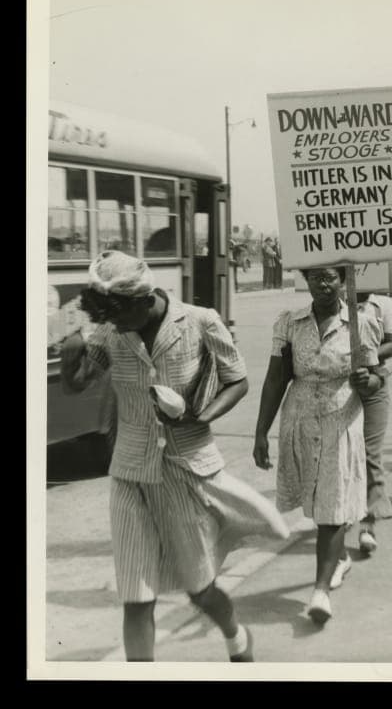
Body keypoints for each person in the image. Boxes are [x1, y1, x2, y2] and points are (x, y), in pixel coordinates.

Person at [60, 250, 281, 662]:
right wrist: (73, 343)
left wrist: (197, 416)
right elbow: (76, 383)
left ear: (145, 300)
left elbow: (238, 381)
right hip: (130, 476)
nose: (116, 327)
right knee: (137, 598)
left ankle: (236, 637)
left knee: (201, 591)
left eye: (121, 317)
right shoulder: (112, 332)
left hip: (185, 473)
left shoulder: (200, 321)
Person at [253, 265, 383, 624]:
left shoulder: (360, 321)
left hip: (340, 421)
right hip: (299, 420)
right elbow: (275, 379)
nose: (324, 284)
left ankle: (320, 592)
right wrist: (261, 431)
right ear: (306, 280)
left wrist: (365, 379)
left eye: (331, 277)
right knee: (317, 501)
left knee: (331, 500)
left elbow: (376, 381)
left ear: (343, 280)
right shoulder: (289, 323)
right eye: (316, 278)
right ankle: (339, 558)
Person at [353, 288, 392, 554]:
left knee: (369, 453)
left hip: (375, 386)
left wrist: (361, 357)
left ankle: (368, 524)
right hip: (342, 387)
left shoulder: (382, 304)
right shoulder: (336, 303)